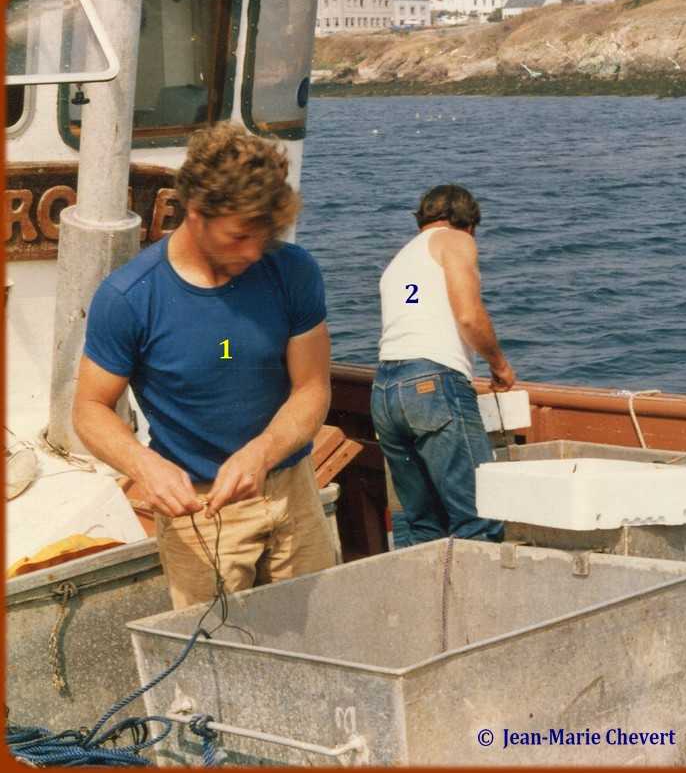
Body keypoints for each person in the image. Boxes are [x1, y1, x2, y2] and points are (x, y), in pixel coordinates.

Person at [73, 123, 337, 609]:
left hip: (293, 489)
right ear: (195, 213)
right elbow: (90, 408)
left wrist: (262, 453)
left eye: (265, 235)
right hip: (199, 510)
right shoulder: (129, 297)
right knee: (214, 647)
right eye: (239, 236)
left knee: (323, 633)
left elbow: (312, 388)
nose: (254, 251)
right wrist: (144, 466)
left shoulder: (293, 270)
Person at [372, 184, 512, 546]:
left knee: (423, 526)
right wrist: (499, 366)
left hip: (385, 392)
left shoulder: (401, 260)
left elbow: (415, 306)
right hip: (432, 384)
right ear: (469, 223)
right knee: (479, 517)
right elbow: (468, 316)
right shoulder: (456, 239)